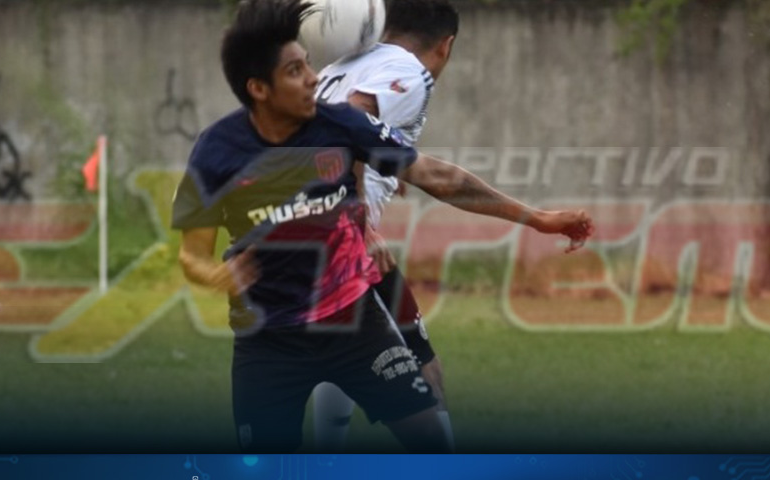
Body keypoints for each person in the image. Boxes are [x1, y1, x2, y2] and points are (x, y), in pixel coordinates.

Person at [173, 0, 592, 454]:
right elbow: (191, 253)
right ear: (258, 88)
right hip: (268, 339)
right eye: (296, 71)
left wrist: (537, 218)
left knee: (430, 440)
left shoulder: (339, 123)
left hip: (353, 321)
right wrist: (214, 273)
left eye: (308, 64)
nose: (314, 78)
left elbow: (436, 176)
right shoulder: (216, 151)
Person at [310, 0, 460, 451]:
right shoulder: (409, 71)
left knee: (339, 351)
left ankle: (324, 471)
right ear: (446, 46)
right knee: (423, 367)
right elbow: (349, 128)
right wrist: (359, 216)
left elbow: (337, 135)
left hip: (302, 244)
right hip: (344, 244)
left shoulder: (338, 67)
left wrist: (388, 166)